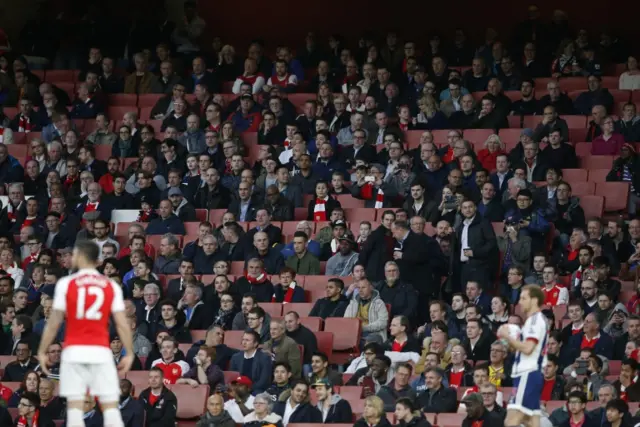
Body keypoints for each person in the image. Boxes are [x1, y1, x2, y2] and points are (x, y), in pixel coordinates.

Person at [36, 240, 134, 427]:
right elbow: (122, 324)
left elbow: (54, 322)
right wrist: (129, 352)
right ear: (97, 260)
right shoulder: (109, 285)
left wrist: (42, 350)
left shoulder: (67, 283)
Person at [496, 284, 548, 427]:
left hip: (528, 374)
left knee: (511, 421)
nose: (520, 302)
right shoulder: (533, 321)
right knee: (532, 420)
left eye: (524, 298)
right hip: (530, 373)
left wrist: (507, 335)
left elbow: (528, 348)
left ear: (534, 300)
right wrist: (511, 343)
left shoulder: (535, 321)